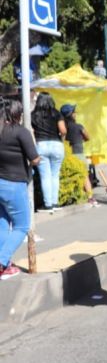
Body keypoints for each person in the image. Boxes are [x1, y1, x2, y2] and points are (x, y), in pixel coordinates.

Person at [0, 99, 40, 279]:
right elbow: (34, 158)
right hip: (14, 184)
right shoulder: (20, 132)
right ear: (17, 114)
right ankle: (2, 261)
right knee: (22, 225)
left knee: (2, 224)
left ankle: (6, 264)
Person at [31, 92, 66, 213]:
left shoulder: (33, 115)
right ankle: (55, 203)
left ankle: (48, 204)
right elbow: (63, 130)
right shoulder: (56, 113)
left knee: (45, 176)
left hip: (41, 145)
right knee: (55, 175)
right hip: (56, 144)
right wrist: (61, 138)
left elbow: (30, 131)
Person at [60, 104, 96, 206]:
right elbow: (87, 137)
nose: (76, 113)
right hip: (78, 153)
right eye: (74, 112)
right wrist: (81, 139)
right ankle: (90, 197)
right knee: (85, 176)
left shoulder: (63, 127)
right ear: (72, 115)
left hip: (67, 154)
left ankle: (74, 197)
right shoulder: (79, 126)